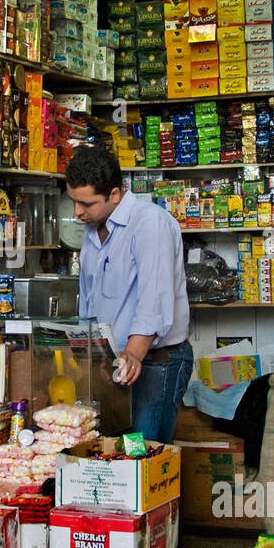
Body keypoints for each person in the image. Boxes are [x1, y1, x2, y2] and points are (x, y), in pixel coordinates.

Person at [65, 145, 193, 444]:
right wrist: (97, 355)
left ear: (114, 195)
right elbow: (89, 301)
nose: (77, 212)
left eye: (86, 203)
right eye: (73, 201)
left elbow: (154, 299)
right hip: (115, 364)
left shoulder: (150, 223)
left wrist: (132, 354)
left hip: (154, 362)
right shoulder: (92, 233)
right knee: (113, 454)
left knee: (140, 456)